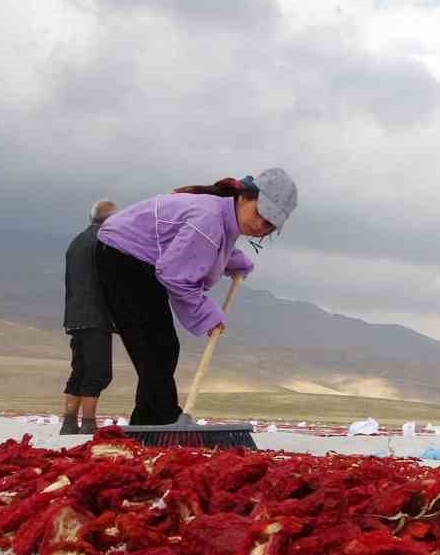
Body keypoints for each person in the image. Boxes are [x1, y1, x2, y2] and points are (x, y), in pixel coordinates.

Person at [94, 168, 297, 426]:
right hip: (123, 255)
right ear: (244, 197)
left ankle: (147, 422)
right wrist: (207, 315)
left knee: (160, 345)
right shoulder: (208, 220)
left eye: (269, 225)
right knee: (157, 345)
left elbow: (208, 246)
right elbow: (177, 275)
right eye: (260, 214)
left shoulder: (221, 218)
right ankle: (163, 419)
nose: (260, 226)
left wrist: (234, 261)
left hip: (137, 258)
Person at [61, 199, 117, 435]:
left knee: (80, 369)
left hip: (75, 315)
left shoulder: (76, 242)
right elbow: (112, 282)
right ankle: (89, 424)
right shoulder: (105, 242)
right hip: (96, 316)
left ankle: (69, 423)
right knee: (99, 372)